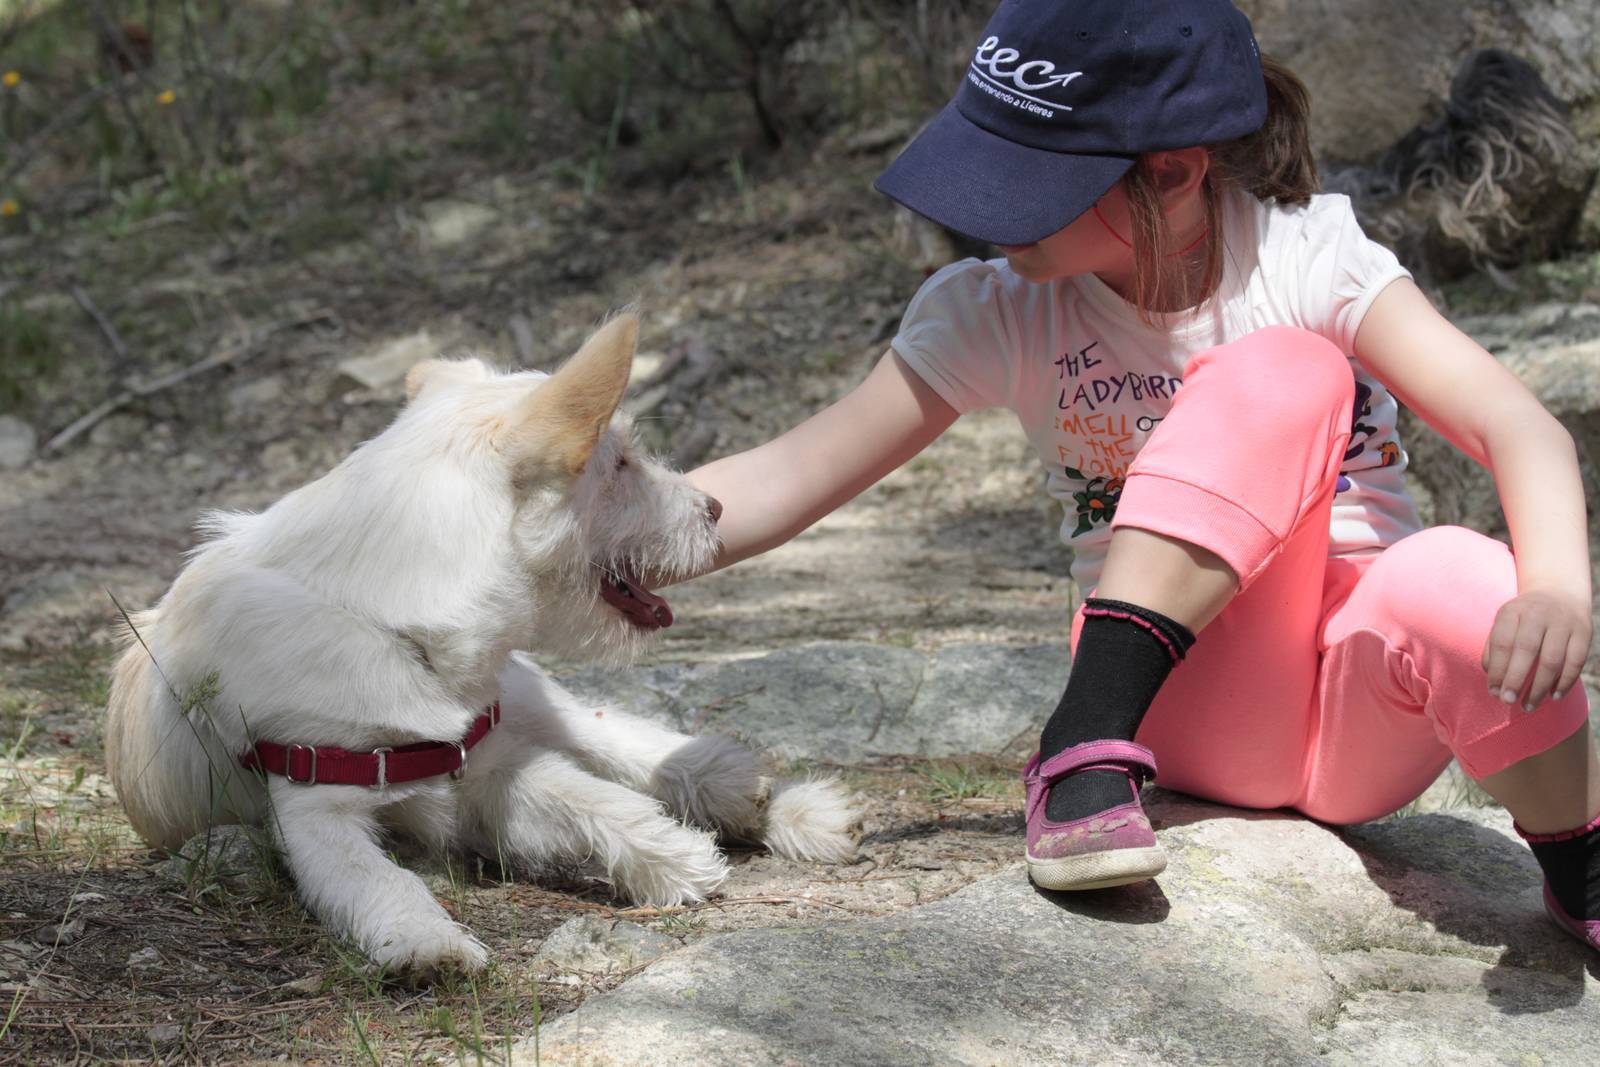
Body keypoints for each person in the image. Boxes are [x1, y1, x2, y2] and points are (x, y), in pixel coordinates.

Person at [683, 0, 1597, 949]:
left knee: (1469, 577)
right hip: (1188, 698)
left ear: (1172, 171)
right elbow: (791, 472)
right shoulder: (997, 311)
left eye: (1033, 177)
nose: (989, 208)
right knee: (1290, 373)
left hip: (1364, 719)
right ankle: (1080, 747)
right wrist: (602, 539)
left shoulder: (1307, 256)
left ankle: (1585, 861)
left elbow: (1517, 424)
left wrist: (1558, 592)